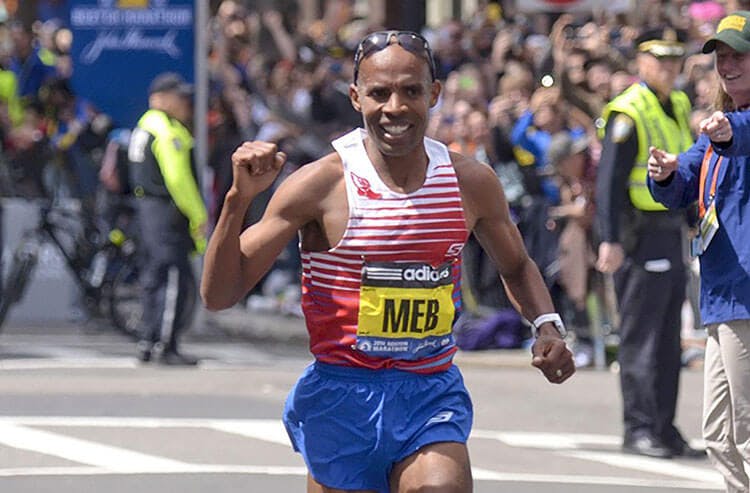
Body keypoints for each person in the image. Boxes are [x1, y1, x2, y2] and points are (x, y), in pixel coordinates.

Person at [201, 30, 574, 492]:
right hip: (342, 395)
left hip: (429, 390)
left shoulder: (469, 183)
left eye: (411, 91)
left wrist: (547, 325)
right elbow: (219, 295)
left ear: (434, 94)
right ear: (356, 97)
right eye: (379, 93)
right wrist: (238, 201)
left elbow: (516, 265)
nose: (394, 108)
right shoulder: (320, 184)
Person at [648, 11, 750, 491]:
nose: (728, 65)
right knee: (718, 435)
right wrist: (665, 171)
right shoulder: (718, 125)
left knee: (747, 431)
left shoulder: (733, 127)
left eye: (739, 56)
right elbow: (684, 180)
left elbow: (741, 137)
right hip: (721, 293)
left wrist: (731, 135)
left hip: (745, 295)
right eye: (722, 57)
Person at [595, 27, 704, 459]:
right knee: (641, 338)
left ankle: (664, 426)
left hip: (670, 230)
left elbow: (685, 168)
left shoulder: (676, 103)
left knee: (666, 339)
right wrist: (611, 239)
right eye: (660, 61)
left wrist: (694, 219)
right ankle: (638, 428)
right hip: (638, 236)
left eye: (675, 62)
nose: (669, 69)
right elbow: (609, 184)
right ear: (641, 63)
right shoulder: (628, 111)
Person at [127, 72, 207, 365]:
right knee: (175, 278)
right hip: (166, 213)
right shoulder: (167, 130)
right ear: (159, 99)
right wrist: (198, 213)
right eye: (177, 96)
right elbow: (178, 179)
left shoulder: (143, 126)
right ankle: (165, 344)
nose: (184, 102)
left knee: (153, 277)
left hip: (146, 210)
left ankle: (148, 340)